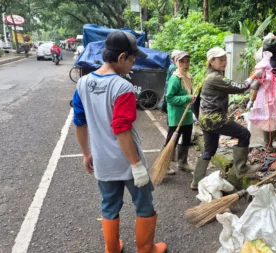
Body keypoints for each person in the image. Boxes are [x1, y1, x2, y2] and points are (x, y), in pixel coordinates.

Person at [72, 31, 166, 253]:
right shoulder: (122, 87)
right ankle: (146, 249)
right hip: (128, 163)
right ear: (122, 56)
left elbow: (79, 122)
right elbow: (121, 130)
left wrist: (87, 153)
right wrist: (136, 166)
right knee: (144, 205)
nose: (133, 66)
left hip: (103, 163)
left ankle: (112, 248)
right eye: (132, 60)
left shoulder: (83, 83)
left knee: (109, 206)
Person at [191, 47, 262, 190]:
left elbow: (238, 88)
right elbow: (240, 87)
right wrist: (254, 75)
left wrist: (252, 85)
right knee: (244, 134)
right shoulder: (217, 78)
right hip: (215, 119)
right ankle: (241, 169)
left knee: (209, 151)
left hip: (206, 119)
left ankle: (196, 182)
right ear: (212, 62)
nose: (224, 62)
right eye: (220, 60)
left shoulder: (211, 76)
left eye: (225, 59)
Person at [164, 51, 195, 175]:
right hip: (176, 115)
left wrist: (191, 98)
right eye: (182, 61)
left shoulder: (188, 76)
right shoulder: (175, 78)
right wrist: (187, 98)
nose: (185, 64)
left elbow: (188, 94)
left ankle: (182, 163)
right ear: (176, 62)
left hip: (187, 114)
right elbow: (169, 98)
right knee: (172, 140)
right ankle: (165, 165)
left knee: (186, 138)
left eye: (187, 61)